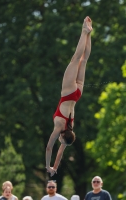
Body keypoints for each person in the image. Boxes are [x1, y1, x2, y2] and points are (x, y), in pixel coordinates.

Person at [46, 16, 93, 176]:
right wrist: (48, 166)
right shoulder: (59, 128)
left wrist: (55, 168)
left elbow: (60, 154)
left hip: (77, 94)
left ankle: (89, 34)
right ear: (62, 138)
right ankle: (84, 31)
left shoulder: (70, 130)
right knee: (75, 59)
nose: (61, 144)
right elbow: (50, 148)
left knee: (84, 60)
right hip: (67, 93)